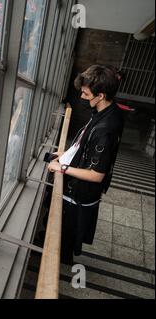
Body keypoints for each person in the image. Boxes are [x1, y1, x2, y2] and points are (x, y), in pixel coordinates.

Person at [47, 65, 125, 264]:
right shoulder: (109, 112)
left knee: (65, 236)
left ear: (100, 96)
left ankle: (59, 261)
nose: (82, 97)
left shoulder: (105, 128)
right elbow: (86, 144)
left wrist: (62, 167)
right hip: (82, 192)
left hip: (80, 194)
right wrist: (67, 154)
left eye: (85, 93)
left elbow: (96, 174)